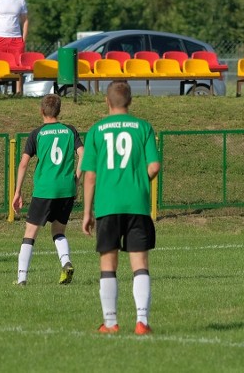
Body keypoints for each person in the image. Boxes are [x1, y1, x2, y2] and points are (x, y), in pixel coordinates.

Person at [81, 81, 160, 336]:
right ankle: (142, 322)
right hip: (136, 203)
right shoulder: (143, 127)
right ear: (130, 102)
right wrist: (139, 182)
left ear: (107, 101)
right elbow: (154, 166)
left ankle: (111, 322)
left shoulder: (96, 130)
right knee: (140, 263)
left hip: (108, 204)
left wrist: (86, 212)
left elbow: (90, 175)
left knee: (108, 263)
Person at [12, 94, 83, 286]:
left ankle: (21, 278)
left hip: (45, 189)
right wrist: (76, 180)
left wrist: (18, 192)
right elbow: (83, 155)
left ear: (41, 111)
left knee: (30, 233)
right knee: (58, 230)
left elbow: (23, 164)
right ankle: (66, 262)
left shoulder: (37, 133)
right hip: (66, 189)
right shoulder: (70, 131)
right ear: (59, 111)